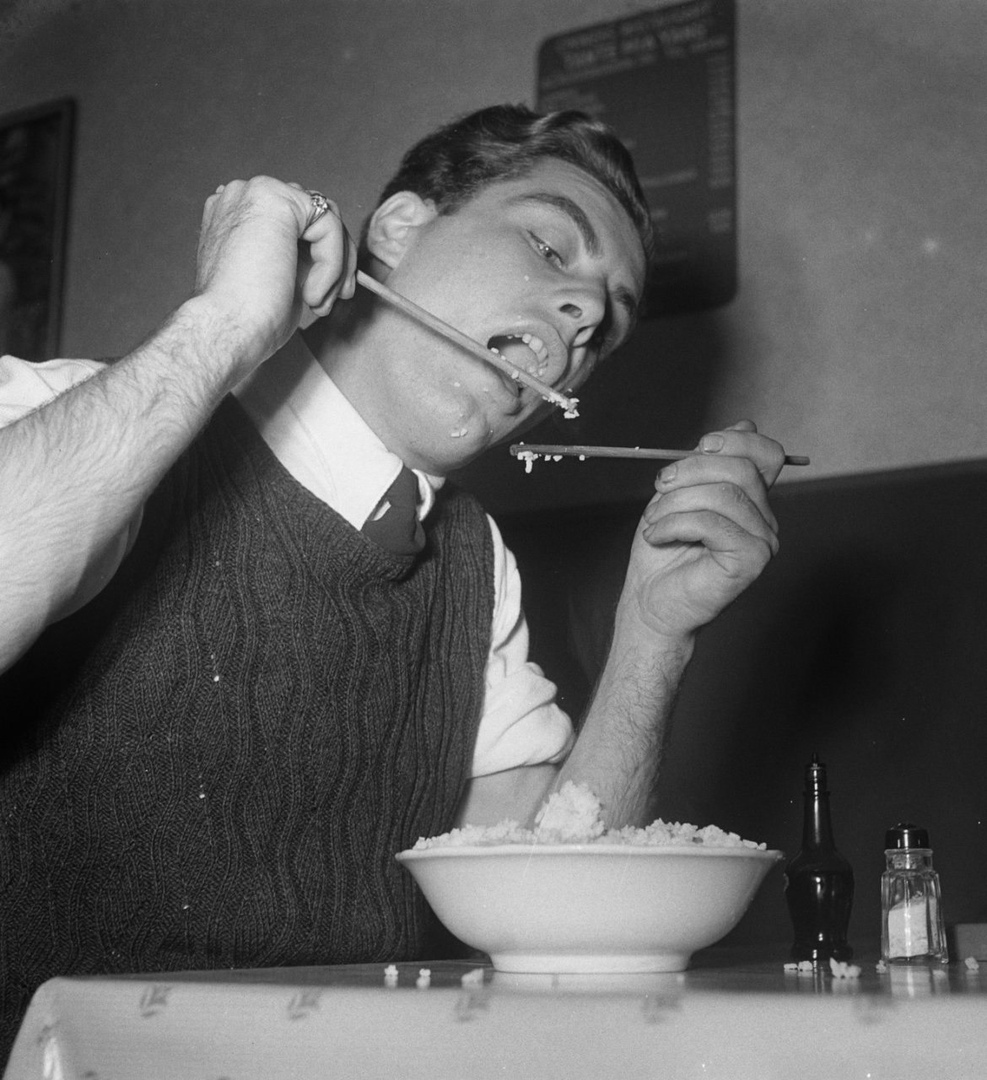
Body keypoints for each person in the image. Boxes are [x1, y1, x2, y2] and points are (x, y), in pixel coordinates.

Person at [0, 105, 785, 1053]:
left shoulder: (476, 567)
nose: (583, 319)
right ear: (401, 229)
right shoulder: (75, 419)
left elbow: (556, 916)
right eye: (548, 247)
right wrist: (221, 327)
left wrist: (654, 633)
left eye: (604, 322)